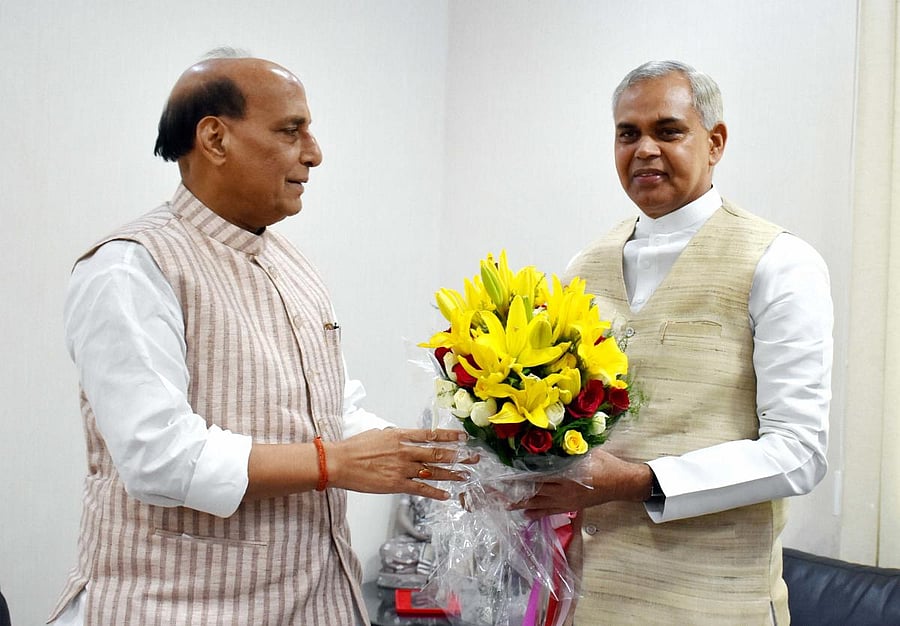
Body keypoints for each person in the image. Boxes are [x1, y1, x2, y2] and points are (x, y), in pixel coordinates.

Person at [48, 52, 468, 626]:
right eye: (291, 130)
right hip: (178, 608)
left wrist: (443, 455)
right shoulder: (131, 267)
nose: (314, 153)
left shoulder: (292, 263)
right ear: (215, 139)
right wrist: (333, 463)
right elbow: (158, 457)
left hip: (317, 601)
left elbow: (332, 414)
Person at [517, 60, 833, 624]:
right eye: (628, 134)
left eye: (668, 131)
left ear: (715, 143)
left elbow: (799, 452)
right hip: (591, 600)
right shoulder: (583, 268)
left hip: (715, 604)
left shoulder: (779, 261)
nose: (644, 150)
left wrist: (641, 482)